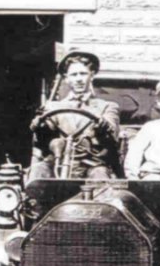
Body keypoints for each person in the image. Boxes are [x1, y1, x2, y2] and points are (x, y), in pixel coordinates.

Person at [29, 50, 121, 180]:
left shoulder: (107, 106)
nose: (78, 79)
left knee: (101, 177)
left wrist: (103, 124)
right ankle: (32, 200)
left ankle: (102, 200)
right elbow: (44, 135)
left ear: (92, 75)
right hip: (58, 160)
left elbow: (112, 131)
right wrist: (40, 125)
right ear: (66, 79)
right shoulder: (53, 107)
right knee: (39, 170)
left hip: (92, 162)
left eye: (83, 74)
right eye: (74, 75)